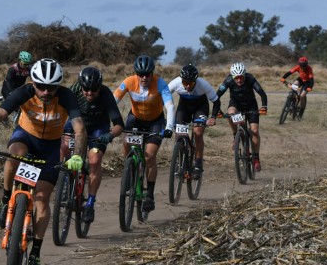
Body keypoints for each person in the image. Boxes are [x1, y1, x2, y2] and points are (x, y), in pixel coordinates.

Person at [0, 58, 87, 265]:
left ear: (59, 86)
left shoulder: (66, 97)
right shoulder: (24, 92)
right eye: (41, 86)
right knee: (15, 155)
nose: (46, 92)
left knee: (42, 200)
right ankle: (6, 200)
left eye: (51, 87)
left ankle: (35, 252)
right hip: (25, 137)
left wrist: (77, 157)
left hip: (50, 149)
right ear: (33, 82)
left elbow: (80, 129)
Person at [60, 66, 124, 223]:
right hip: (77, 124)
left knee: (94, 160)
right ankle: (65, 180)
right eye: (86, 90)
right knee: (64, 146)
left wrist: (109, 135)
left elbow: (119, 125)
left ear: (99, 88)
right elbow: (59, 113)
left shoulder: (106, 94)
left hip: (98, 129)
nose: (89, 93)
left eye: (93, 90)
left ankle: (90, 203)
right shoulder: (73, 90)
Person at [113, 54, 175, 212]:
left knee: (149, 156)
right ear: (136, 74)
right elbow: (113, 101)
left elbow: (170, 106)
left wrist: (169, 127)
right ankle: (129, 171)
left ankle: (150, 195)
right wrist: (110, 121)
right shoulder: (129, 82)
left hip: (156, 121)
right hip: (136, 118)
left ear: (152, 73)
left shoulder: (160, 83)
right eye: (140, 74)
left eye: (147, 74)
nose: (144, 78)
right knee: (126, 142)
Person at [167, 64, 221, 179]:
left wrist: (213, 117)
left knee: (198, 132)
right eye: (184, 83)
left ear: (195, 81)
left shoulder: (203, 84)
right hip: (184, 107)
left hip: (200, 107)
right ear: (181, 80)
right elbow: (163, 95)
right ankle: (179, 158)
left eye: (190, 83)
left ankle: (197, 163)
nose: (187, 86)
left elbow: (216, 101)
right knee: (179, 133)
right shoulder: (176, 83)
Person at [215, 62, 268, 172]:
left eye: (241, 77)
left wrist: (264, 107)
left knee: (254, 130)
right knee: (230, 113)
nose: (239, 80)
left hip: (251, 104)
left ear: (244, 75)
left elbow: (262, 93)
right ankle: (236, 136)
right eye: (236, 78)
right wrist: (218, 111)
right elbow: (217, 95)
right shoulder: (228, 80)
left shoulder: (250, 78)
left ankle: (256, 158)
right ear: (232, 77)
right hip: (236, 104)